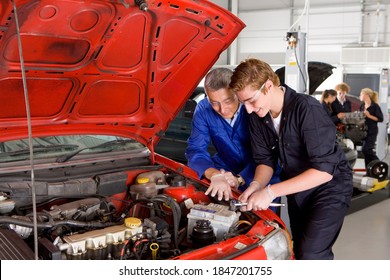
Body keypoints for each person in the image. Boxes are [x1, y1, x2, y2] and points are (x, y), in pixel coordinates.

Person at [229, 58, 353, 260]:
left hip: (330, 188)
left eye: (251, 101)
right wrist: (256, 185)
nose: (249, 109)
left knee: (312, 252)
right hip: (297, 189)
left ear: (269, 86)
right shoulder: (257, 116)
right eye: (244, 104)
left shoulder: (307, 109)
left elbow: (324, 171)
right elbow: (265, 161)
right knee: (296, 248)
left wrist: (270, 192)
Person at [185, 67, 280, 203]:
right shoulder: (203, 109)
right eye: (214, 103)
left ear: (237, 92)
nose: (222, 110)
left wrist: (240, 179)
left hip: (261, 175)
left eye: (227, 101)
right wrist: (214, 174)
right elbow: (195, 150)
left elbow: (267, 155)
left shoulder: (255, 108)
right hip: (225, 172)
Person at [359, 87, 384, 168]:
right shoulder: (362, 106)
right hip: (363, 131)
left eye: (361, 94)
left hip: (372, 131)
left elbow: (380, 119)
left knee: (366, 150)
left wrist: (369, 116)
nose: (360, 96)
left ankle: (380, 165)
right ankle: (369, 171)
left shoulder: (375, 106)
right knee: (366, 152)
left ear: (366, 95)